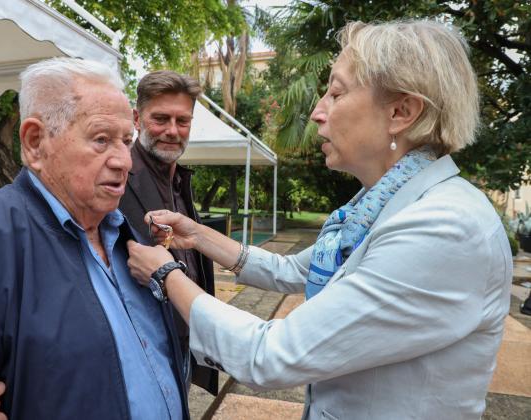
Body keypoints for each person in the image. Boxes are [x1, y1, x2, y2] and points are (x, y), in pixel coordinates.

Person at [126, 20, 513, 419]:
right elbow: (292, 269)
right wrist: (198, 235)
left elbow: (271, 355)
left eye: (336, 93)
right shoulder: (375, 206)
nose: (316, 113)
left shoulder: (444, 228)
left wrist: (166, 274)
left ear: (401, 112)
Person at [0, 58, 189, 419]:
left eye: (126, 141)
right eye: (101, 139)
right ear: (36, 142)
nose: (124, 161)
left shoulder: (129, 239)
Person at [119, 70, 218, 395]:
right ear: (137, 118)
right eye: (160, 119)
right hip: (141, 346)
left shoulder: (180, 180)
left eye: (183, 121)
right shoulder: (116, 178)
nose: (173, 131)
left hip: (187, 338)